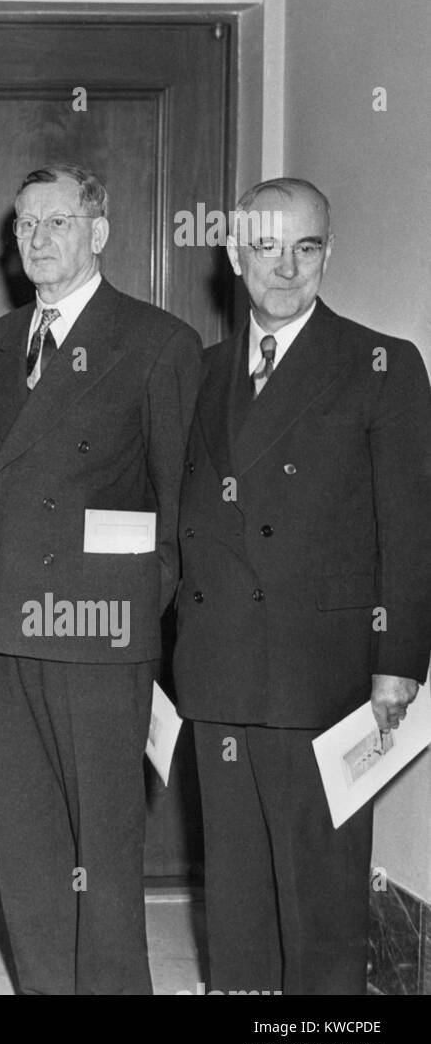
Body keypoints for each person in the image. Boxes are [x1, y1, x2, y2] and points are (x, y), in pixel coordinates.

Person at [174, 177, 431, 995]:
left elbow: (412, 525)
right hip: (217, 671)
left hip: (322, 675)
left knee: (320, 904)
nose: (285, 267)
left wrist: (400, 661)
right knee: (238, 901)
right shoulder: (203, 371)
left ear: (330, 253)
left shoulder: (380, 363)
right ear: (232, 252)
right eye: (266, 246)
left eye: (307, 246)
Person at [0, 162, 202, 994]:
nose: (37, 239)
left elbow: (178, 512)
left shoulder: (158, 342)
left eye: (57, 223)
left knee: (102, 851)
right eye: (25, 224)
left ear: (98, 233)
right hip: (2, 630)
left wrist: (132, 614)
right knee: (25, 846)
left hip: (99, 635)